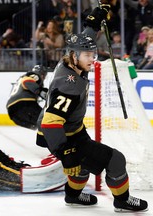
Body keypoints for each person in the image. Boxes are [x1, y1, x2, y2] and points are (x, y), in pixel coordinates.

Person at [36, 5, 148, 212]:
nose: (92, 59)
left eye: (92, 54)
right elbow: (51, 123)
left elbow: (85, 37)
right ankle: (122, 200)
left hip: (72, 130)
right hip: (61, 135)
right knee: (116, 159)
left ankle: (72, 196)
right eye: (87, 56)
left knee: (82, 167)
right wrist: (65, 153)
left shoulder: (69, 61)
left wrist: (94, 20)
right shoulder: (70, 84)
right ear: (75, 55)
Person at [6, 65, 48, 130]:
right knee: (47, 120)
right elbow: (26, 81)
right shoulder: (35, 75)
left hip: (12, 112)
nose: (44, 78)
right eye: (44, 75)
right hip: (23, 104)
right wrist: (39, 91)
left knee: (38, 126)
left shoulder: (20, 78)